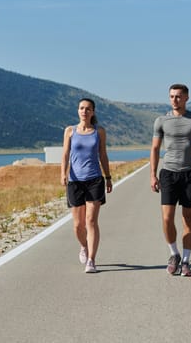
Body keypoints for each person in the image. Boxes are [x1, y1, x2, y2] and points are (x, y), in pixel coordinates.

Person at [150, 84, 191, 276]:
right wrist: (153, 174)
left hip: (190, 174)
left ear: (186, 98)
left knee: (188, 220)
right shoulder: (161, 120)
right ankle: (173, 254)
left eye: (178, 96)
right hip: (168, 173)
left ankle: (185, 261)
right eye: (171, 96)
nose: (174, 100)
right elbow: (154, 149)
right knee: (167, 218)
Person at [61, 98, 113, 273]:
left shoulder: (99, 131)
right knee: (78, 225)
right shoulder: (70, 131)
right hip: (75, 181)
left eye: (88, 109)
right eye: (82, 108)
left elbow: (103, 155)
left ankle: (91, 260)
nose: (84, 111)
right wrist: (63, 173)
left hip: (95, 180)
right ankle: (84, 246)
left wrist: (108, 177)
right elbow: (65, 154)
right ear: (78, 111)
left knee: (91, 221)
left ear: (93, 112)